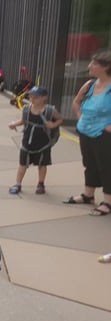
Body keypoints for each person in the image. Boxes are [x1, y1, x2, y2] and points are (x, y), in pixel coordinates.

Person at [64, 49, 111, 216]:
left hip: (103, 135)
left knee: (106, 167)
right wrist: (80, 118)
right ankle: (88, 195)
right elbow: (76, 102)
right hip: (85, 131)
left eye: (94, 63)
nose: (89, 65)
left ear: (106, 67)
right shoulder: (90, 84)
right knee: (89, 164)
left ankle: (108, 202)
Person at [7, 86, 63, 195]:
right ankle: (18, 183)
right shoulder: (26, 109)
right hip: (27, 142)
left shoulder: (50, 111)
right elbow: (23, 121)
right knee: (22, 164)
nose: (32, 99)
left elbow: (60, 119)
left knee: (42, 164)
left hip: (43, 143)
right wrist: (14, 124)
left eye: (35, 97)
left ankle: (41, 184)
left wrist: (53, 125)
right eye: (31, 97)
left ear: (44, 98)